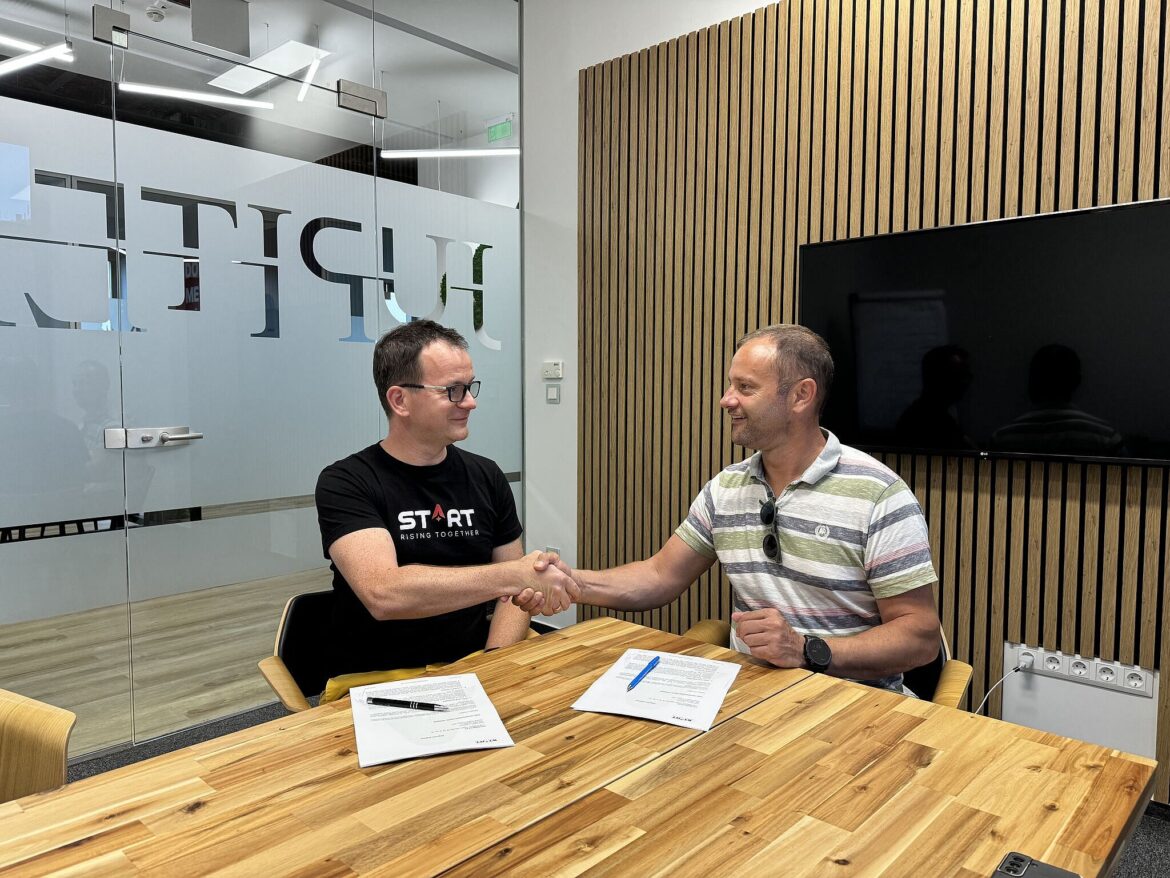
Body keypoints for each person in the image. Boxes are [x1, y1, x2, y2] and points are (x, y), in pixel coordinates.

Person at [533, 325, 941, 692]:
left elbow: (920, 637)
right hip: (748, 697)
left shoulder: (878, 494)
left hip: (855, 706)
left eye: (745, 388)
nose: (726, 400)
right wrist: (571, 582)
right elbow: (659, 576)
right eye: (731, 385)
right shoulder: (726, 488)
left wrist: (806, 650)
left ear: (801, 396)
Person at [315, 320, 576, 677]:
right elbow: (384, 593)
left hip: (473, 663)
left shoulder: (487, 476)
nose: (470, 402)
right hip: (376, 679)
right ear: (400, 400)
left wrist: (493, 665)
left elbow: (513, 599)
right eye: (453, 390)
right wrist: (514, 575)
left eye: (470, 387)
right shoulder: (346, 482)